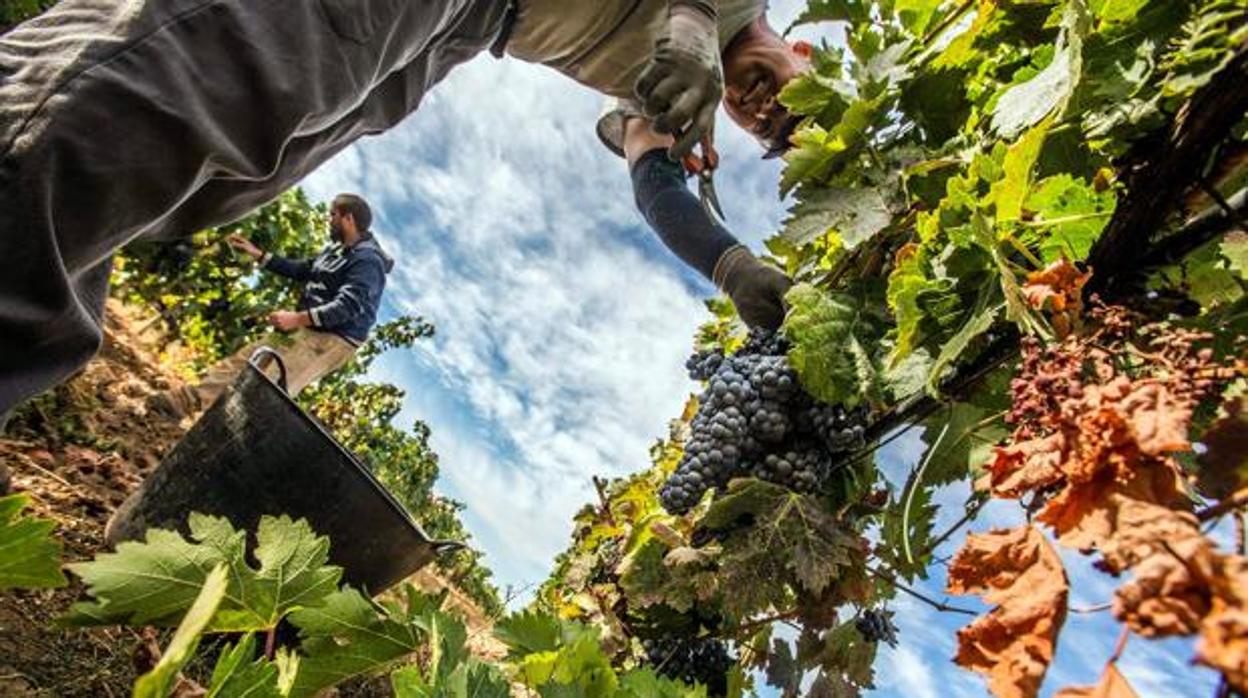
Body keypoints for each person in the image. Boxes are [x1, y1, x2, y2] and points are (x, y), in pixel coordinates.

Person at [0, 0, 810, 417]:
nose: (774, 119)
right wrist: (697, 17)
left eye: (779, 139)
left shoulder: (678, 90)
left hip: (466, 27)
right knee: (198, 82)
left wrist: (728, 264)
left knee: (220, 173)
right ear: (804, 51)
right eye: (798, 102)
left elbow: (655, 180)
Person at [147, 193, 392, 418]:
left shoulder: (368, 261)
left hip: (332, 340)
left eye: (333, 215)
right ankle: (184, 403)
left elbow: (349, 306)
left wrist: (296, 319)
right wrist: (259, 254)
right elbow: (302, 269)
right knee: (247, 359)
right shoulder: (336, 252)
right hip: (308, 326)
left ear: (348, 218)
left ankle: (222, 441)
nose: (329, 220)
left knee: (266, 389)